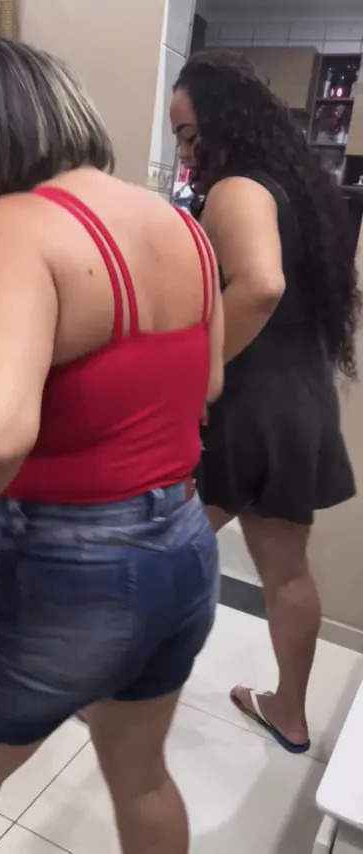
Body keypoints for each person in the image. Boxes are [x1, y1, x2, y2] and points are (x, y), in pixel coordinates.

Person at [0, 36, 223, 854]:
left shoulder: (12, 225)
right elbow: (208, 384)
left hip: (71, 572)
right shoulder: (185, 227)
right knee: (142, 779)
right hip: (183, 549)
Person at [170, 50, 360, 755]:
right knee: (285, 569)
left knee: (160, 554)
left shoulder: (237, 189)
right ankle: (289, 712)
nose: (184, 151)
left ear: (225, 123)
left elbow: (260, 286)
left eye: (189, 135)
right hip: (300, 400)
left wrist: (195, 379)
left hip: (249, 405)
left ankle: (118, 698)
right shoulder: (295, 189)